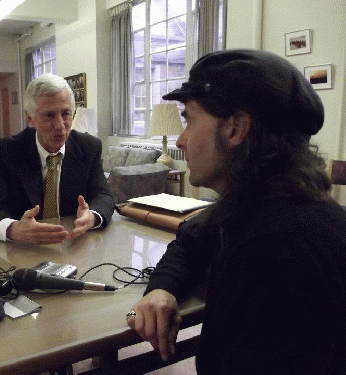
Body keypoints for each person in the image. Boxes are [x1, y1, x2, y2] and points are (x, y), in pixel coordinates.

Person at [126, 49, 346, 374]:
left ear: (235, 130)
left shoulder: (276, 253)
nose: (182, 140)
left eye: (189, 120)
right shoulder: (257, 204)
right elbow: (192, 238)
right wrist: (163, 288)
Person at [0, 73, 115, 245]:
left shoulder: (89, 147)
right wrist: (14, 229)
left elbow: (104, 195)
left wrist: (91, 217)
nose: (60, 126)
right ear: (30, 118)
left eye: (66, 114)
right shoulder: (5, 151)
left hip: (73, 245)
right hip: (22, 250)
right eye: (49, 115)